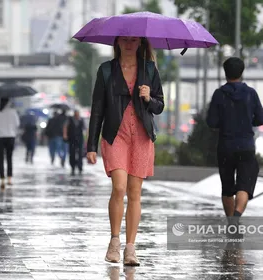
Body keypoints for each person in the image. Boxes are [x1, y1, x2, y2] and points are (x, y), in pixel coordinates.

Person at [86, 36, 164, 266]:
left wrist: (149, 98)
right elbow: (97, 108)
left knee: (135, 192)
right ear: (117, 42)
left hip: (141, 136)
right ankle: (114, 242)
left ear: (140, 43)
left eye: (134, 40)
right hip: (115, 135)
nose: (129, 44)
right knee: (119, 188)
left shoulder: (149, 69)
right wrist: (91, 145)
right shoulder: (106, 70)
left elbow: (160, 105)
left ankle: (131, 248)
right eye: (125, 40)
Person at [206, 57, 263, 220]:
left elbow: (211, 121)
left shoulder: (219, 94)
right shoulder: (251, 93)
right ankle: (237, 216)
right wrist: (248, 121)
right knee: (244, 186)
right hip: (246, 145)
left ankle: (231, 222)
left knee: (227, 188)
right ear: (242, 72)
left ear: (225, 73)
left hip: (225, 146)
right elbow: (261, 118)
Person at [0, 98, 20, 187]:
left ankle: (2, 180)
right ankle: (9, 179)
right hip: (10, 137)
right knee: (9, 158)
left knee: (0, 159)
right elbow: (17, 124)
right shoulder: (13, 112)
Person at [63, 110, 86, 176]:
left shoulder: (81, 120)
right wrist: (65, 135)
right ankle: (72, 166)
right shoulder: (70, 119)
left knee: (80, 153)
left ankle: (80, 166)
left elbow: (85, 129)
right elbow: (65, 127)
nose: (77, 115)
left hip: (79, 138)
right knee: (72, 153)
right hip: (72, 138)